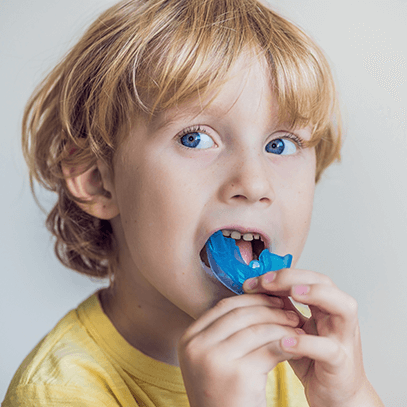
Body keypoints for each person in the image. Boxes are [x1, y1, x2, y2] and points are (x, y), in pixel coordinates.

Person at [3, 0, 384, 406]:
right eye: (195, 138)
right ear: (99, 181)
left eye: (280, 144)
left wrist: (349, 397)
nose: (254, 183)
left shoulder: (292, 352)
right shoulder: (55, 394)